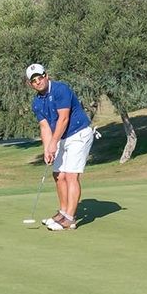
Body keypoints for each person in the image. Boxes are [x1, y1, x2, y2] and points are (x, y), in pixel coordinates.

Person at [26, 63, 95, 231]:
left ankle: (69, 218)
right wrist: (47, 149)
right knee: (58, 174)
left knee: (71, 175)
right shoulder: (37, 102)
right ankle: (63, 212)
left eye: (40, 77)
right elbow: (45, 127)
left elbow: (63, 119)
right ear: (30, 84)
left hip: (79, 134)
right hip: (62, 137)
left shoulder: (60, 89)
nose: (38, 81)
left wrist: (53, 143)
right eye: (34, 80)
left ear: (46, 76)